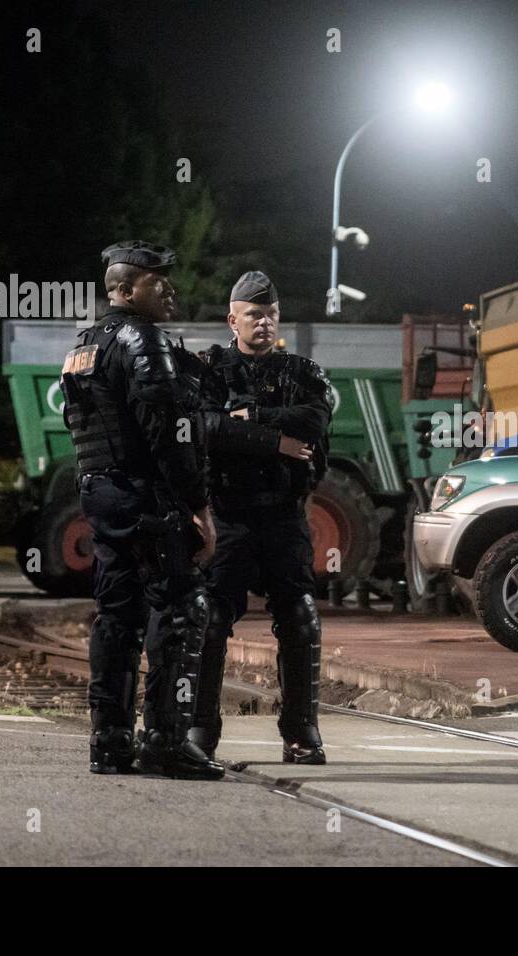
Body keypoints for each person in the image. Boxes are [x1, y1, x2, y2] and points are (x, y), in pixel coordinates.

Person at [60, 240, 226, 780]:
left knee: (117, 616)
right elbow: (168, 432)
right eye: (159, 282)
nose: (171, 289)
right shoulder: (142, 339)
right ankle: (165, 741)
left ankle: (108, 743)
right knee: (181, 607)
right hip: (147, 495)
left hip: (101, 495)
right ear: (126, 289)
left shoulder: (85, 344)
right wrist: (198, 505)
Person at [193, 270, 332, 764]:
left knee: (300, 619)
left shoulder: (302, 372)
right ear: (233, 319)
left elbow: (314, 421)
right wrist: (275, 440)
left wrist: (248, 420)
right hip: (228, 515)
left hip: (283, 517)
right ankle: (200, 733)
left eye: (271, 314)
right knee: (209, 619)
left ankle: (301, 733)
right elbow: (204, 427)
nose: (265, 322)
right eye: (255, 314)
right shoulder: (208, 369)